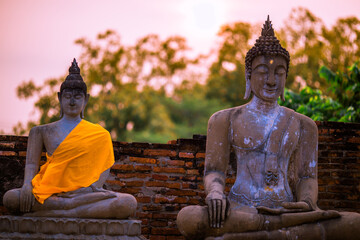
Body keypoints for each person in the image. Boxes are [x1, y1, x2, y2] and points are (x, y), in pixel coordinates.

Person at [177, 16, 360, 240]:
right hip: (241, 209)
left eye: (279, 72)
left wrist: (306, 203)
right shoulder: (225, 119)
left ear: (286, 77)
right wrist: (215, 194)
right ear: (248, 75)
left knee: (355, 222)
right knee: (188, 218)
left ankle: (258, 233)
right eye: (263, 71)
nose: (271, 80)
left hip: (287, 209)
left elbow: (307, 177)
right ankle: (276, 230)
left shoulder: (304, 125)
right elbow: (214, 171)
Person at [3, 59, 137, 219]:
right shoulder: (41, 131)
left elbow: (102, 171)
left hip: (84, 195)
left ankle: (59, 214)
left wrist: (90, 189)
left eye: (77, 97)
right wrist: (26, 186)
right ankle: (72, 213)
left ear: (86, 100)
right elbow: (31, 164)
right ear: (60, 98)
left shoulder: (100, 134)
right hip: (49, 192)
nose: (72, 101)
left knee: (127, 203)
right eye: (67, 96)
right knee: (10, 198)